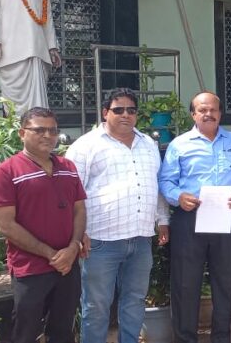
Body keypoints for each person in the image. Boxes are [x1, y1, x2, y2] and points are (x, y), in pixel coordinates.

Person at [65, 88, 169, 343]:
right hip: (100, 242)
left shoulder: (148, 144)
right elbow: (70, 194)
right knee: (96, 307)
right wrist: (78, 233)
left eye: (131, 110)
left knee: (134, 302)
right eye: (118, 109)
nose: (125, 115)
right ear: (105, 112)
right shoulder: (86, 146)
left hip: (141, 239)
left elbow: (156, 186)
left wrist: (163, 220)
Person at [157, 92, 231, 343]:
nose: (208, 114)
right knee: (185, 284)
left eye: (213, 109)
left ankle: (221, 338)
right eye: (202, 110)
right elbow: (166, 181)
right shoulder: (179, 144)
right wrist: (179, 196)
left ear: (220, 113)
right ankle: (185, 339)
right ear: (193, 114)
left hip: (226, 217)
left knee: (224, 282)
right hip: (189, 218)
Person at [0, 107, 86, 343]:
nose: (48, 135)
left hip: (67, 266)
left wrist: (73, 247)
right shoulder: (6, 172)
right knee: (26, 332)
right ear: (22, 133)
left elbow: (80, 210)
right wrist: (51, 254)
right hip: (30, 268)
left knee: (63, 330)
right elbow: (5, 225)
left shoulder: (68, 167)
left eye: (53, 130)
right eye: (39, 130)